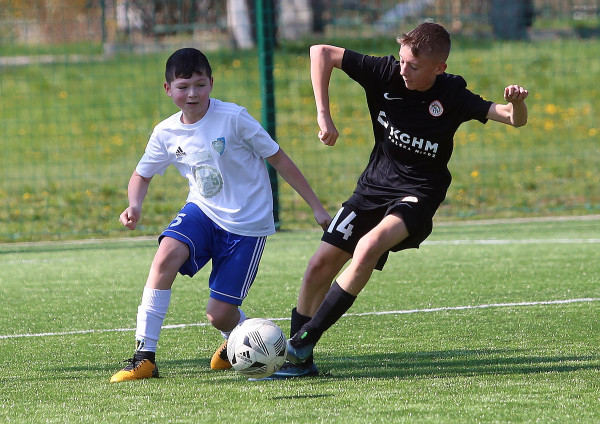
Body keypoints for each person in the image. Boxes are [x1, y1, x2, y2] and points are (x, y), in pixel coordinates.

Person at [266, 22, 529, 379]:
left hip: (418, 194)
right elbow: (321, 53)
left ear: (440, 68)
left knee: (368, 247)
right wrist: (323, 114)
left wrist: (517, 104)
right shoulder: (386, 72)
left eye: (414, 66)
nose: (403, 70)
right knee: (318, 266)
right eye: (402, 61)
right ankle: (301, 362)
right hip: (373, 188)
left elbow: (512, 119)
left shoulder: (453, 95)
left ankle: (303, 340)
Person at [110, 47, 331, 382]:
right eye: (183, 86)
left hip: (247, 224)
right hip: (202, 211)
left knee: (218, 315)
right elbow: (141, 174)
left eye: (200, 85)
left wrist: (316, 207)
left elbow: (279, 159)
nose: (192, 94)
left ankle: (240, 341)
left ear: (211, 83)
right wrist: (135, 204)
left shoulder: (234, 118)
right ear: (168, 89)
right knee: (164, 256)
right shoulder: (165, 132)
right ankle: (144, 357)